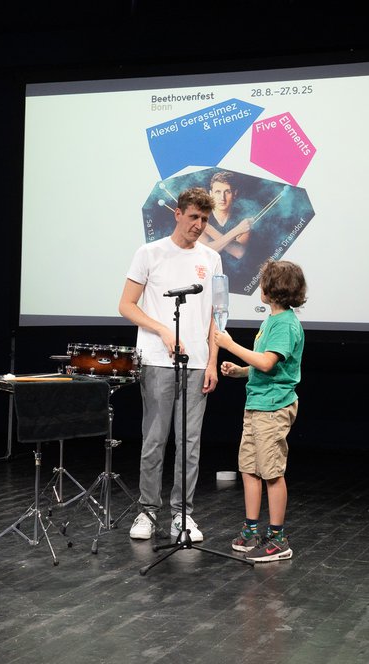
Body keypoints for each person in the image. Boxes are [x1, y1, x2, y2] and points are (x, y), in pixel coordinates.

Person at [119, 187, 223, 543]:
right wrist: (163, 329)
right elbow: (127, 305)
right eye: (193, 217)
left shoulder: (211, 258)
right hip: (157, 360)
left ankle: (183, 515)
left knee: (190, 443)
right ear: (177, 214)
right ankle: (147, 510)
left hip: (197, 363)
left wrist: (212, 361)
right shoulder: (149, 253)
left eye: (204, 220)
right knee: (155, 438)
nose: (198, 225)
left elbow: (215, 315)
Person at [213, 259, 307, 562]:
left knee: (271, 472)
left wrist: (229, 345)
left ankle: (278, 539)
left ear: (272, 289)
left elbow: (267, 363)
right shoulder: (272, 321)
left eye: (263, 282)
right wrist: (240, 370)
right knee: (250, 468)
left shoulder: (286, 324)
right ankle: (252, 529)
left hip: (273, 407)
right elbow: (264, 366)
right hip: (256, 404)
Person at [199, 171, 252, 258]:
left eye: (227, 192)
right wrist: (238, 230)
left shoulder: (243, 219)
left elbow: (239, 252)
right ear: (211, 194)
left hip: (238, 270)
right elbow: (205, 253)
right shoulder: (202, 217)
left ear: (234, 194)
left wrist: (208, 229)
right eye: (218, 192)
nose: (222, 198)